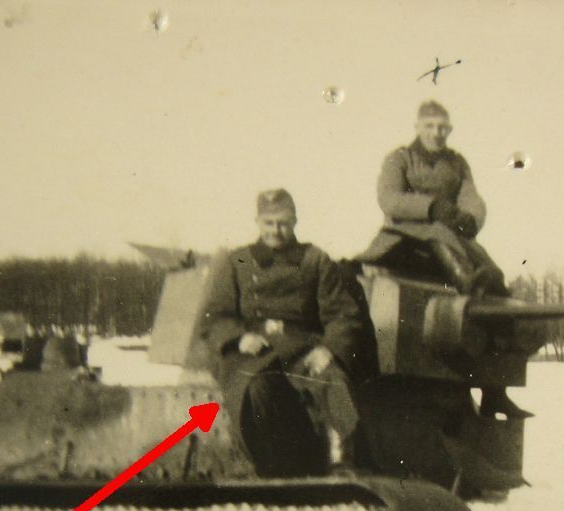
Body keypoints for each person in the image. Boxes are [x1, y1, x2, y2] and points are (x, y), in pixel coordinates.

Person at [358, 100, 529, 419]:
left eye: (442, 127)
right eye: (430, 126)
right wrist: (432, 208)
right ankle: (467, 282)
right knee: (440, 239)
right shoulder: (400, 159)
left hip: (449, 238)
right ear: (417, 127)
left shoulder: (457, 164)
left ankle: (495, 392)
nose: (436, 133)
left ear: (449, 130)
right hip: (404, 238)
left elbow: (472, 198)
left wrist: (470, 219)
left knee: (494, 286)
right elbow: (389, 199)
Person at [200, 188, 376, 476]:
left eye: (282, 223)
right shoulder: (238, 261)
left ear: (294, 221)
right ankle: (273, 470)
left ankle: (341, 463)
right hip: (254, 352)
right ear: (257, 222)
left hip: (302, 348)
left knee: (332, 379)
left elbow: (342, 314)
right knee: (255, 389)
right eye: (268, 223)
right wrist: (240, 338)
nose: (275, 231)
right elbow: (216, 315)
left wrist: (329, 349)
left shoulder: (315, 259)